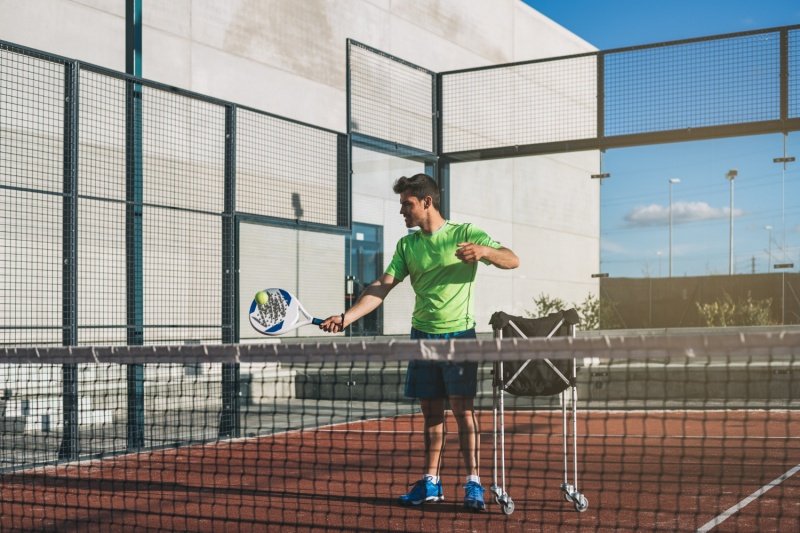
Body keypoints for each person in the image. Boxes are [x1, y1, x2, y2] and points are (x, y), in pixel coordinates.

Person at [320, 173, 519, 511]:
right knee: (430, 415)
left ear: (427, 202)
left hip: (459, 336)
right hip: (422, 337)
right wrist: (347, 317)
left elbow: (512, 259)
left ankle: (473, 482)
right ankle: (430, 483)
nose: (402, 211)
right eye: (401, 205)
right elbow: (382, 287)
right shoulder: (407, 245)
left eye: (406, 204)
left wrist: (485, 250)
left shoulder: (464, 234)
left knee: (463, 412)